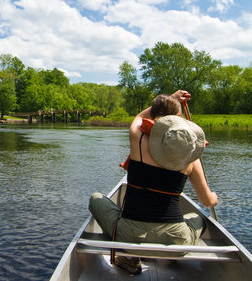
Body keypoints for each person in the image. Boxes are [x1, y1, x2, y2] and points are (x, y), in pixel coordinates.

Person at [89, 90, 218, 274]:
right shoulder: (191, 157)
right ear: (179, 120)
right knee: (198, 218)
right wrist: (213, 198)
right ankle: (167, 260)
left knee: (96, 198)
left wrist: (171, 99)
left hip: (130, 237)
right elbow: (206, 201)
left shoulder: (138, 138)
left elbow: (139, 117)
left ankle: (128, 257)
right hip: (176, 241)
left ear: (156, 116)